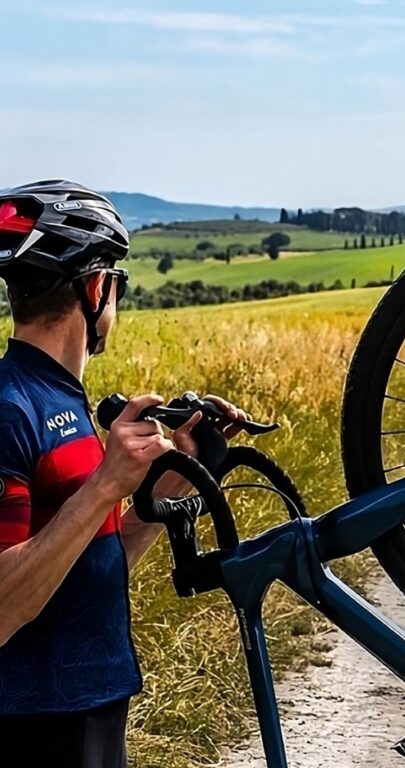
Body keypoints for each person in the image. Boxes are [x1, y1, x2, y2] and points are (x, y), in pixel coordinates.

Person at [0, 180, 248, 767]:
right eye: (116, 284)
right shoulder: (10, 408)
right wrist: (108, 484)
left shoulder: (56, 399)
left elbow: (82, 567)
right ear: (96, 287)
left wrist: (166, 487)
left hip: (90, 707)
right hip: (32, 725)